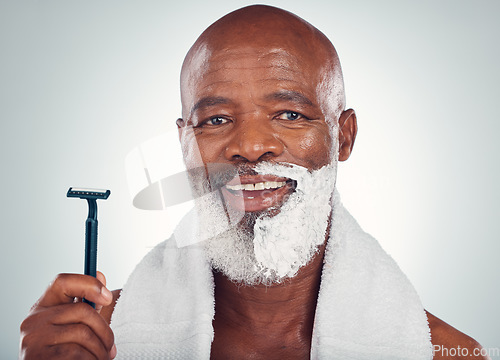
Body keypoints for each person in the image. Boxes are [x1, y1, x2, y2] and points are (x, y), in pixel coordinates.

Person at [19, 5, 487, 360]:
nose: (251, 145)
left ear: (342, 137)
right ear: (184, 144)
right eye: (216, 119)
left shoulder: (443, 353)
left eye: (289, 114)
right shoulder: (99, 342)